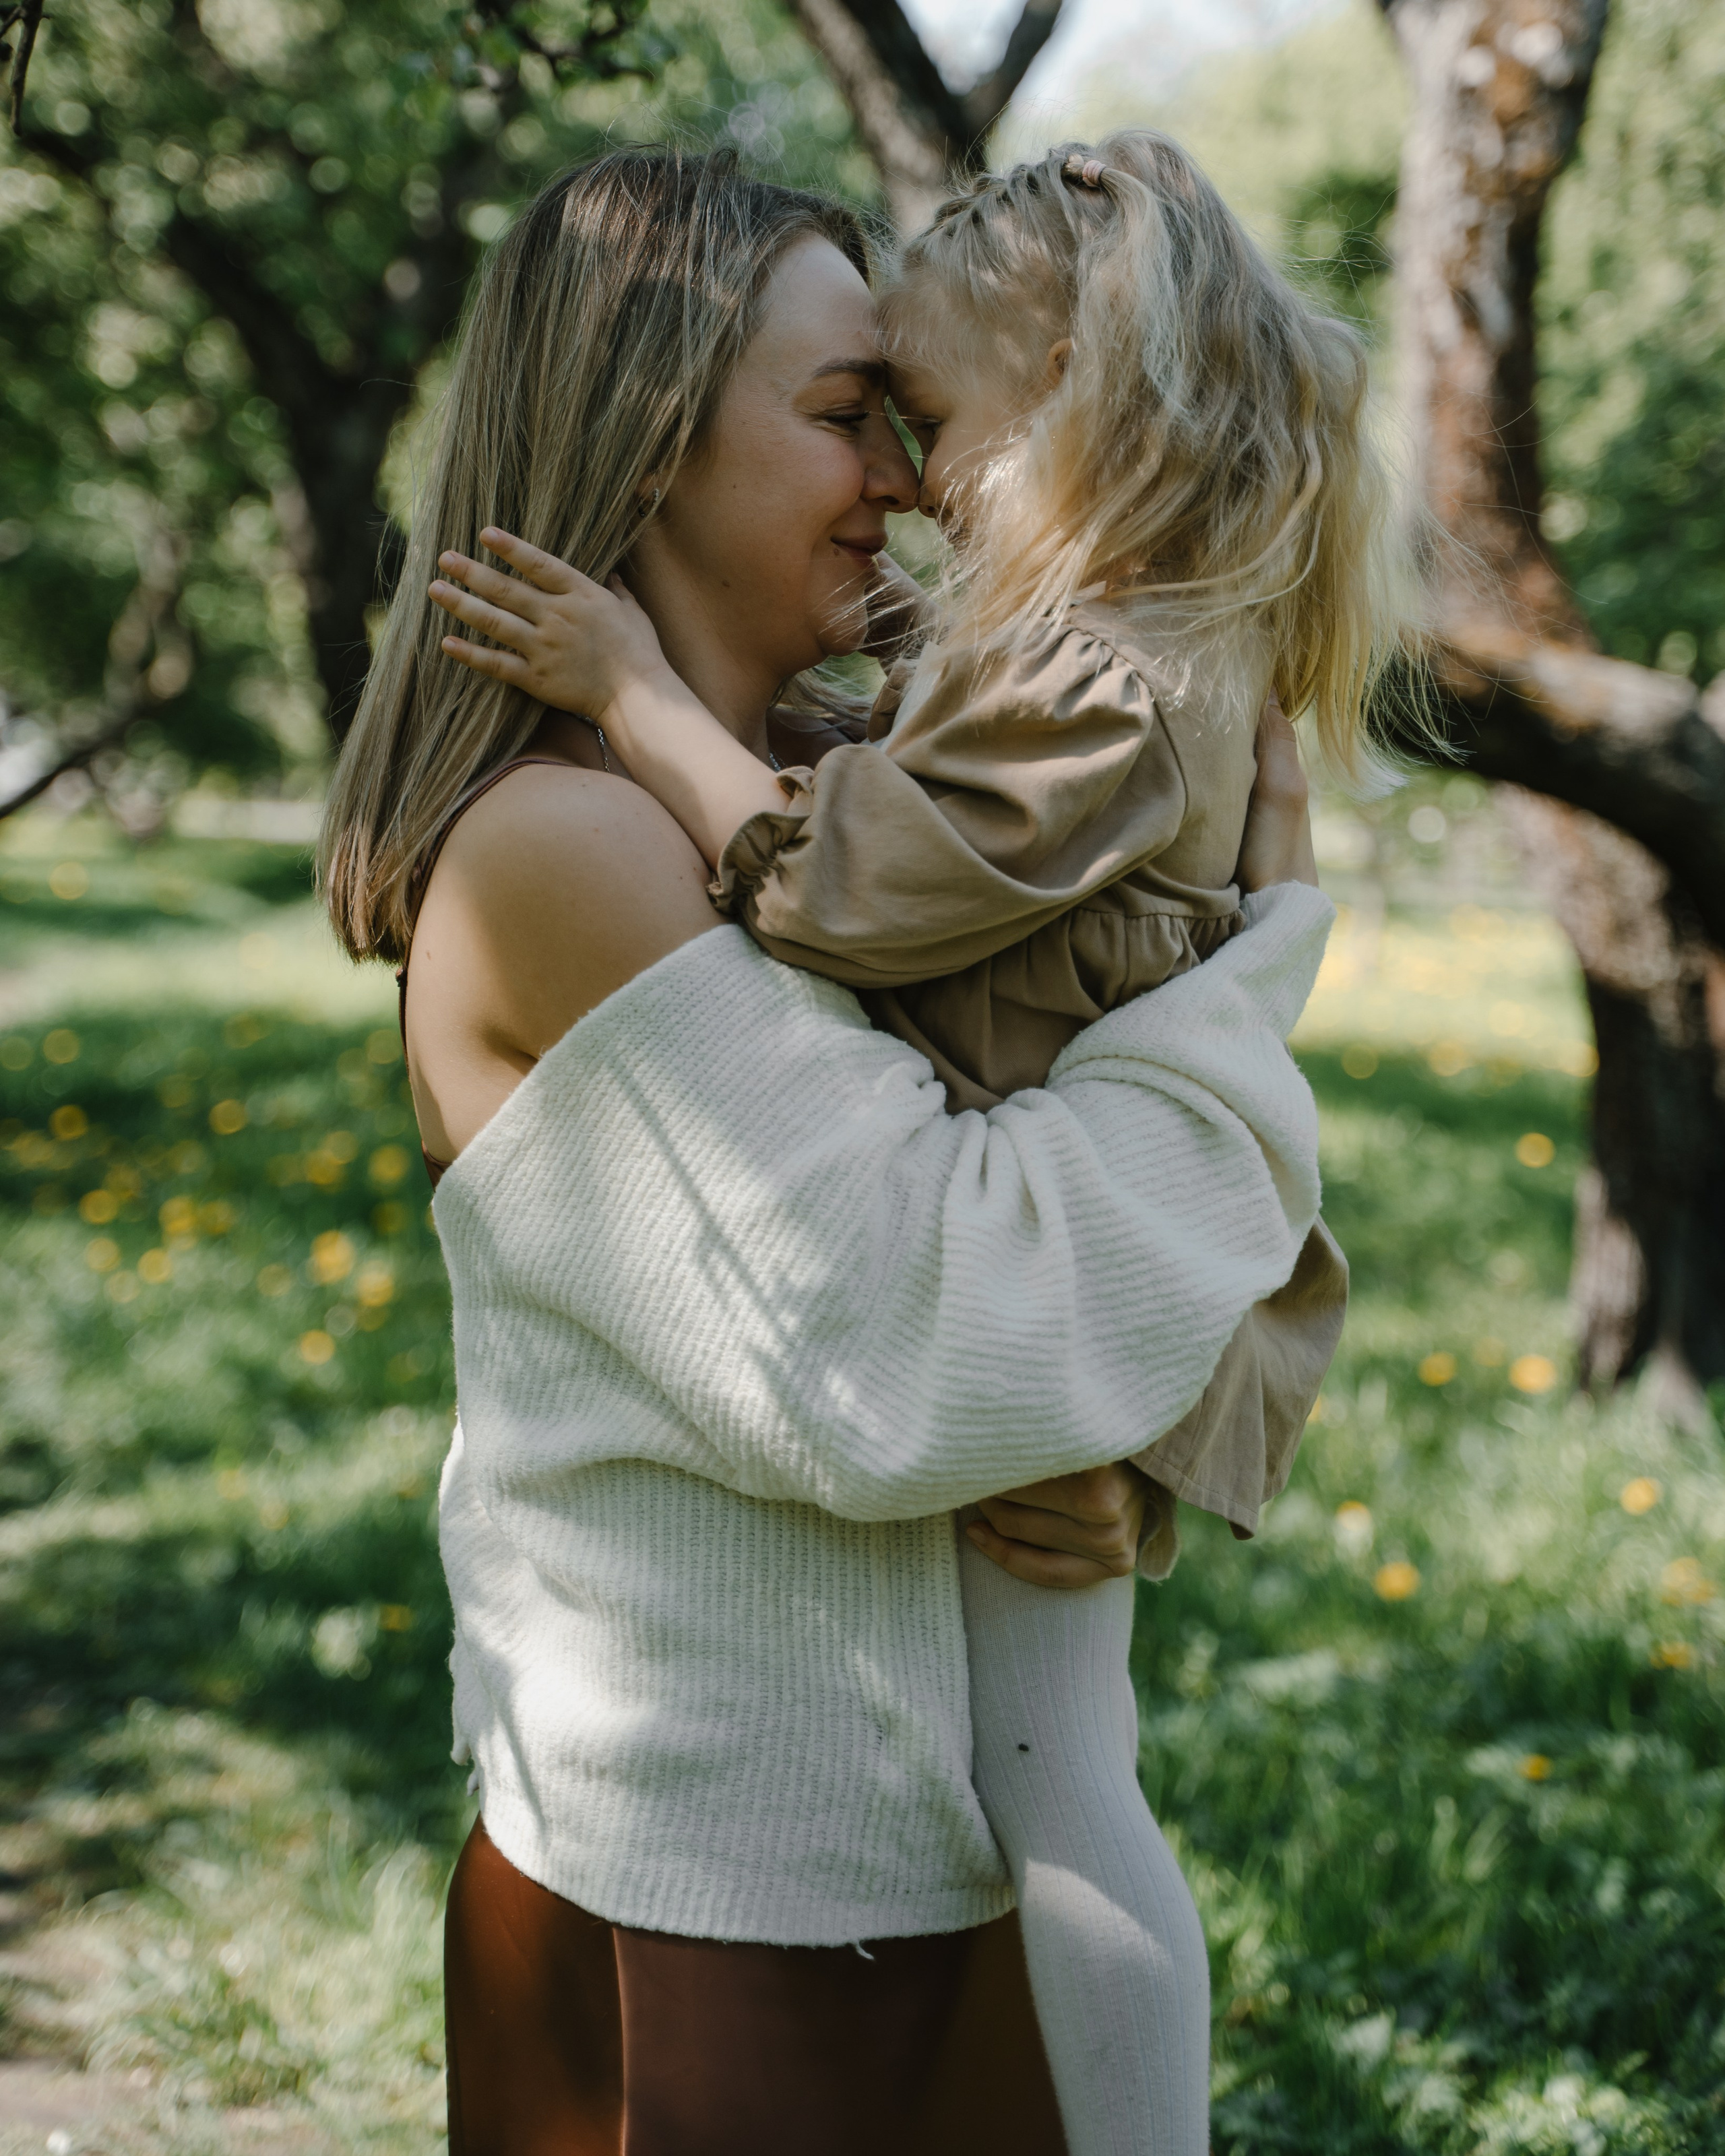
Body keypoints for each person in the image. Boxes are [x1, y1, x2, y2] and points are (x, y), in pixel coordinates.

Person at [322, 146, 1331, 2155]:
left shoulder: (829, 799)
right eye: (850, 411)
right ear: (649, 449)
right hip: (727, 1917)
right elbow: (933, 1349)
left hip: (911, 1879)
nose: (909, 479)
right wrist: (1262, 975)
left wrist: (1134, 1439)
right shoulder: (565, 850)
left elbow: (1042, 1249)